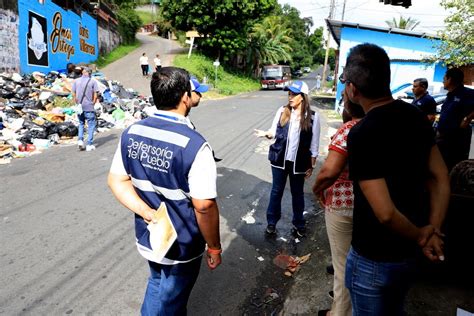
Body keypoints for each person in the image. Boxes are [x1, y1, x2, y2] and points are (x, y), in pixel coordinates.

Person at [342, 43, 450, 315]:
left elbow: (386, 214)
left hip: (373, 259)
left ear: (353, 89)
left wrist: (422, 237)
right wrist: (432, 229)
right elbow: (440, 178)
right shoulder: (416, 117)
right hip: (409, 256)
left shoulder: (362, 133)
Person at [107, 66, 221, 315]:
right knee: (170, 301)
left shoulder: (133, 132)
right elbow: (204, 206)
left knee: (158, 283)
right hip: (182, 243)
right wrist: (214, 246)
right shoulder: (195, 146)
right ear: (184, 97)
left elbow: (117, 180)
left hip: (151, 234)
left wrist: (147, 212)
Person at [312, 91, 365, 316]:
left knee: (343, 265)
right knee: (360, 260)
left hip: (343, 203)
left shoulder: (349, 129)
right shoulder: (383, 126)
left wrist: (317, 190)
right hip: (371, 203)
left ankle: (340, 312)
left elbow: (329, 171)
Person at [255, 81, 321, 237]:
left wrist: (311, 165)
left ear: (303, 97)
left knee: (297, 193)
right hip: (279, 159)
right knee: (276, 191)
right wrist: (266, 134)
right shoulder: (282, 111)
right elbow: (273, 131)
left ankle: (299, 223)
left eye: (294, 94)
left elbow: (315, 144)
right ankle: (271, 223)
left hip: (299, 163)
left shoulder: (313, 117)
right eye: (289, 94)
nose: (290, 97)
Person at [436, 67, 474, 171]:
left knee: (453, 169)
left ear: (450, 79)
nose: (443, 81)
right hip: (443, 139)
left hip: (456, 141)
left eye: (444, 78)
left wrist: (467, 118)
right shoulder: (450, 95)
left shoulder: (467, 93)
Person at [71, 67, 99, 151]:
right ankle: (89, 144)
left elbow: (73, 93)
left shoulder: (76, 81)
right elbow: (95, 94)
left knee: (81, 123)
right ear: (89, 73)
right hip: (88, 106)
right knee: (91, 125)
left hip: (79, 106)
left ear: (83, 73)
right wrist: (93, 103)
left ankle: (80, 140)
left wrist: (76, 102)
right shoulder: (93, 81)